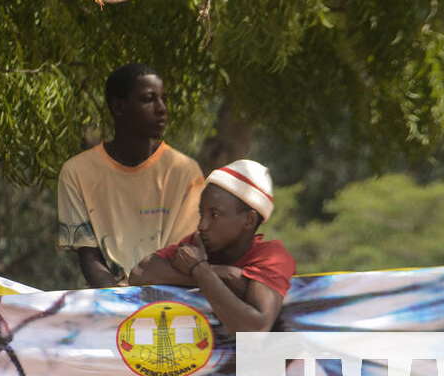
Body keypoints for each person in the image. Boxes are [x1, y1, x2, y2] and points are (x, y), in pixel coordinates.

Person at [57, 63, 204, 287]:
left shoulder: (185, 171)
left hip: (172, 302)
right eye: (148, 99)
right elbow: (89, 256)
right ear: (118, 106)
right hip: (110, 302)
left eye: (164, 99)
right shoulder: (76, 172)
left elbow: (183, 255)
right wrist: (120, 302)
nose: (162, 108)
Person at [128, 159, 296, 333]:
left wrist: (201, 270)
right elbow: (141, 273)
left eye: (214, 215)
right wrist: (224, 275)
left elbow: (255, 328)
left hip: (266, 359)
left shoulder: (272, 256)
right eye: (202, 213)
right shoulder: (200, 244)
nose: (202, 225)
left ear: (249, 220)